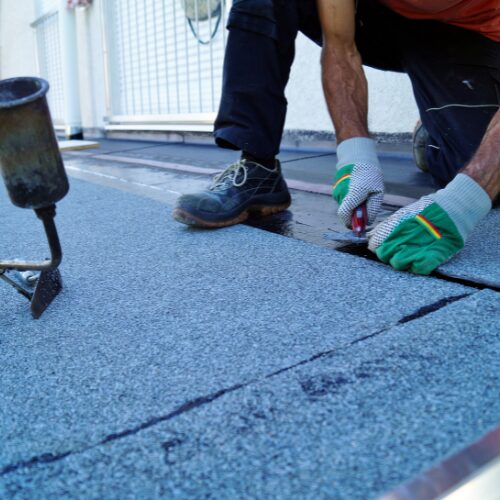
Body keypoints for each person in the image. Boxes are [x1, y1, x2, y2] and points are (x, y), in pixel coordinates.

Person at [173, 0, 499, 275]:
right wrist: (354, 154)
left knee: (477, 175)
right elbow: (340, 45)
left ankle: (433, 136)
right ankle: (258, 167)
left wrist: (467, 198)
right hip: (379, 20)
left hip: (468, 31)